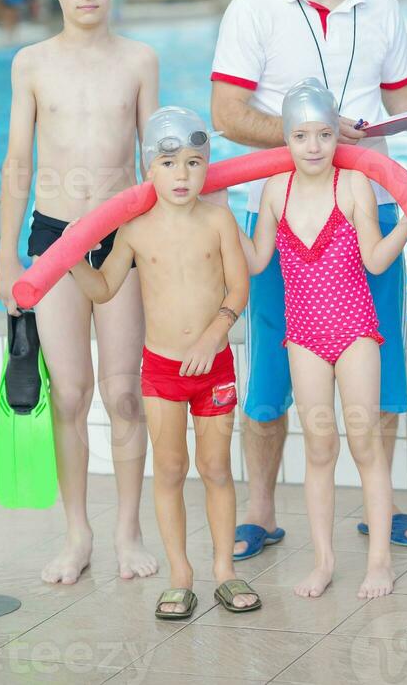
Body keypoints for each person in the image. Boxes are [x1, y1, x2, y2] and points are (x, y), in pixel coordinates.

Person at [211, 0, 407, 560]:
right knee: (269, 374)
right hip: (283, 215)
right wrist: (314, 131)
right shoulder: (253, 10)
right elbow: (227, 117)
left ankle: (382, 507)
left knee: (383, 363)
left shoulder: (384, 9)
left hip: (369, 211)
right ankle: (260, 512)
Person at [0, 0, 159, 585]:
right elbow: (16, 163)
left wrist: (170, 250)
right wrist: (9, 259)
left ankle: (128, 532)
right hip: (54, 239)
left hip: (121, 237)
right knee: (69, 393)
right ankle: (78, 534)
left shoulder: (140, 60)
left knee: (123, 395)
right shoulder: (31, 63)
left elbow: (157, 164)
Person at [67, 107, 261, 619]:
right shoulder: (133, 231)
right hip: (161, 373)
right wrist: (69, 260)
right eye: (170, 162)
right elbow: (105, 288)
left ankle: (225, 570)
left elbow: (240, 287)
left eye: (195, 163)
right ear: (148, 166)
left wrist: (213, 334)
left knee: (216, 467)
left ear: (208, 166)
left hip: (213, 366)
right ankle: (181, 575)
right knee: (171, 468)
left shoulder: (218, 220)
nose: (183, 175)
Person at [238, 79, 407, 598]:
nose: (314, 146)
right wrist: (219, 214)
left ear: (338, 136)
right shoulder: (276, 190)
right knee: (320, 448)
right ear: (286, 138)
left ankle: (379, 562)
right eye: (301, 136)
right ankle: (322, 563)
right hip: (303, 339)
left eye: (324, 134)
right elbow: (257, 262)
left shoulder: (353, 186)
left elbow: (374, 260)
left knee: (365, 445)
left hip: (356, 333)